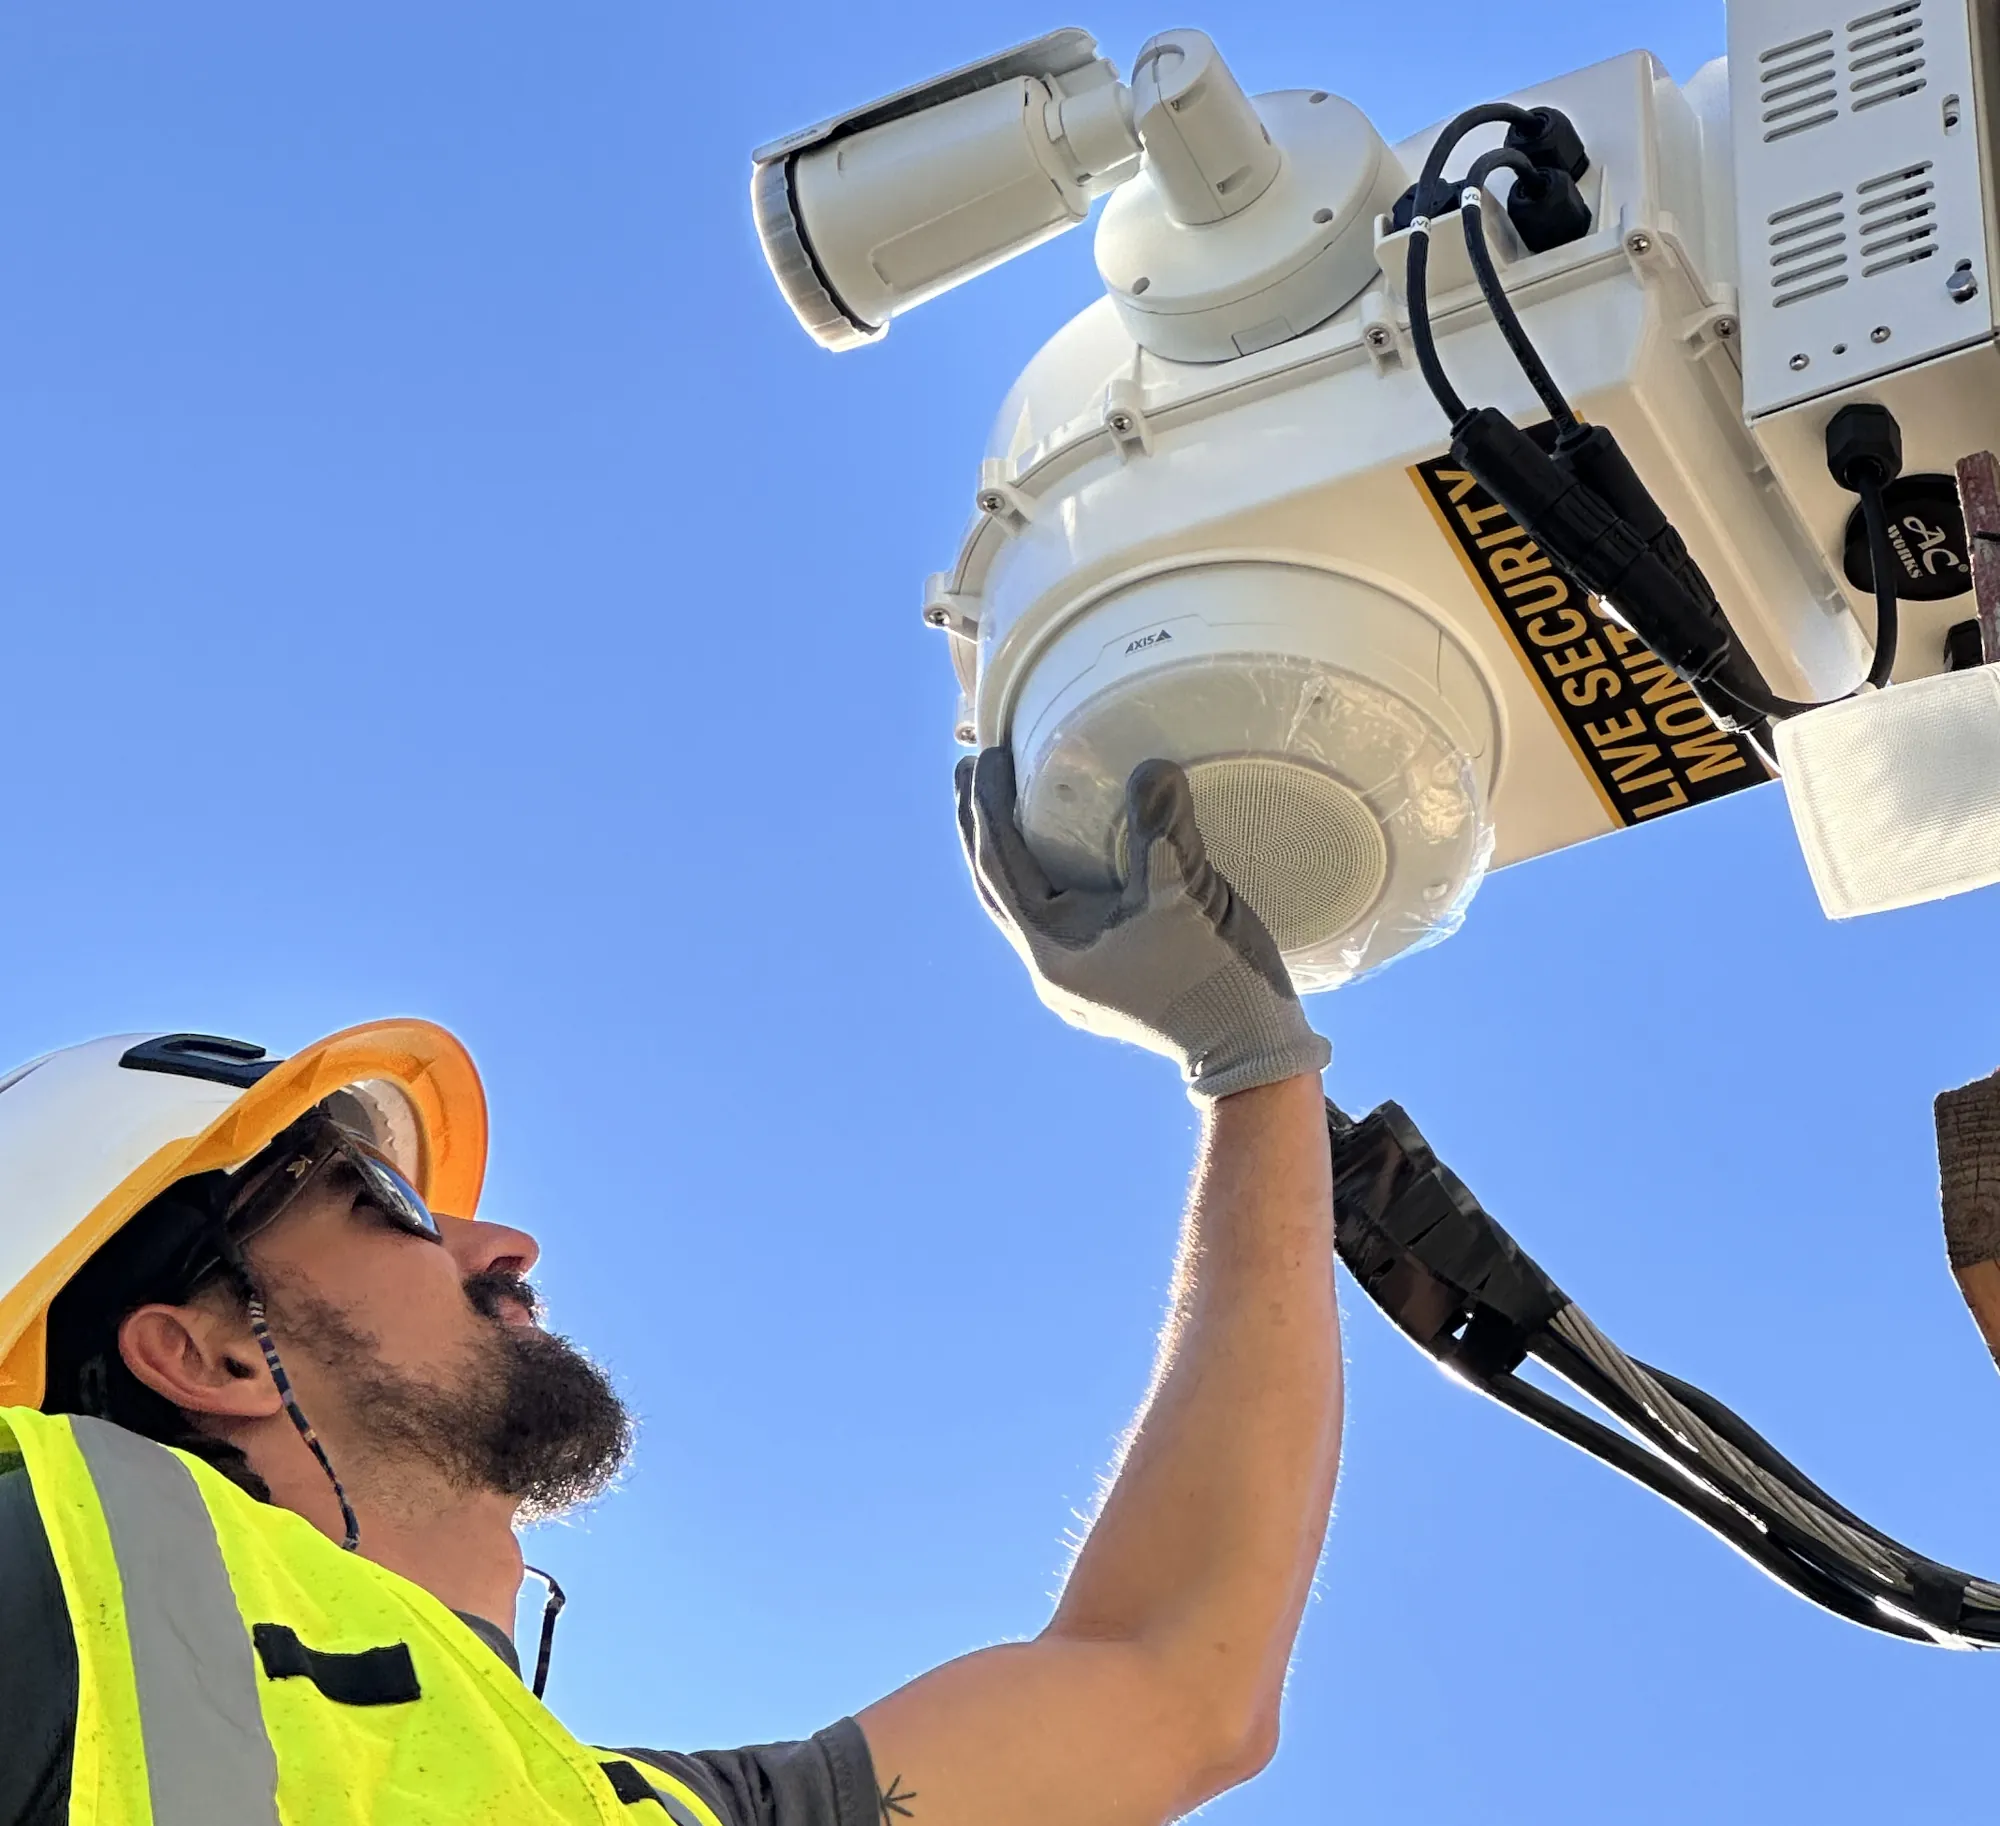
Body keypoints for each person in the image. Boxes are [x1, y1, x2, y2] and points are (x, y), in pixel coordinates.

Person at [0, 750, 1340, 1826]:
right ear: (208, 1353)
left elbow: (1178, 1683)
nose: (506, 1243)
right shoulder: (51, 1548)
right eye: (386, 1204)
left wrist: (1252, 1066)